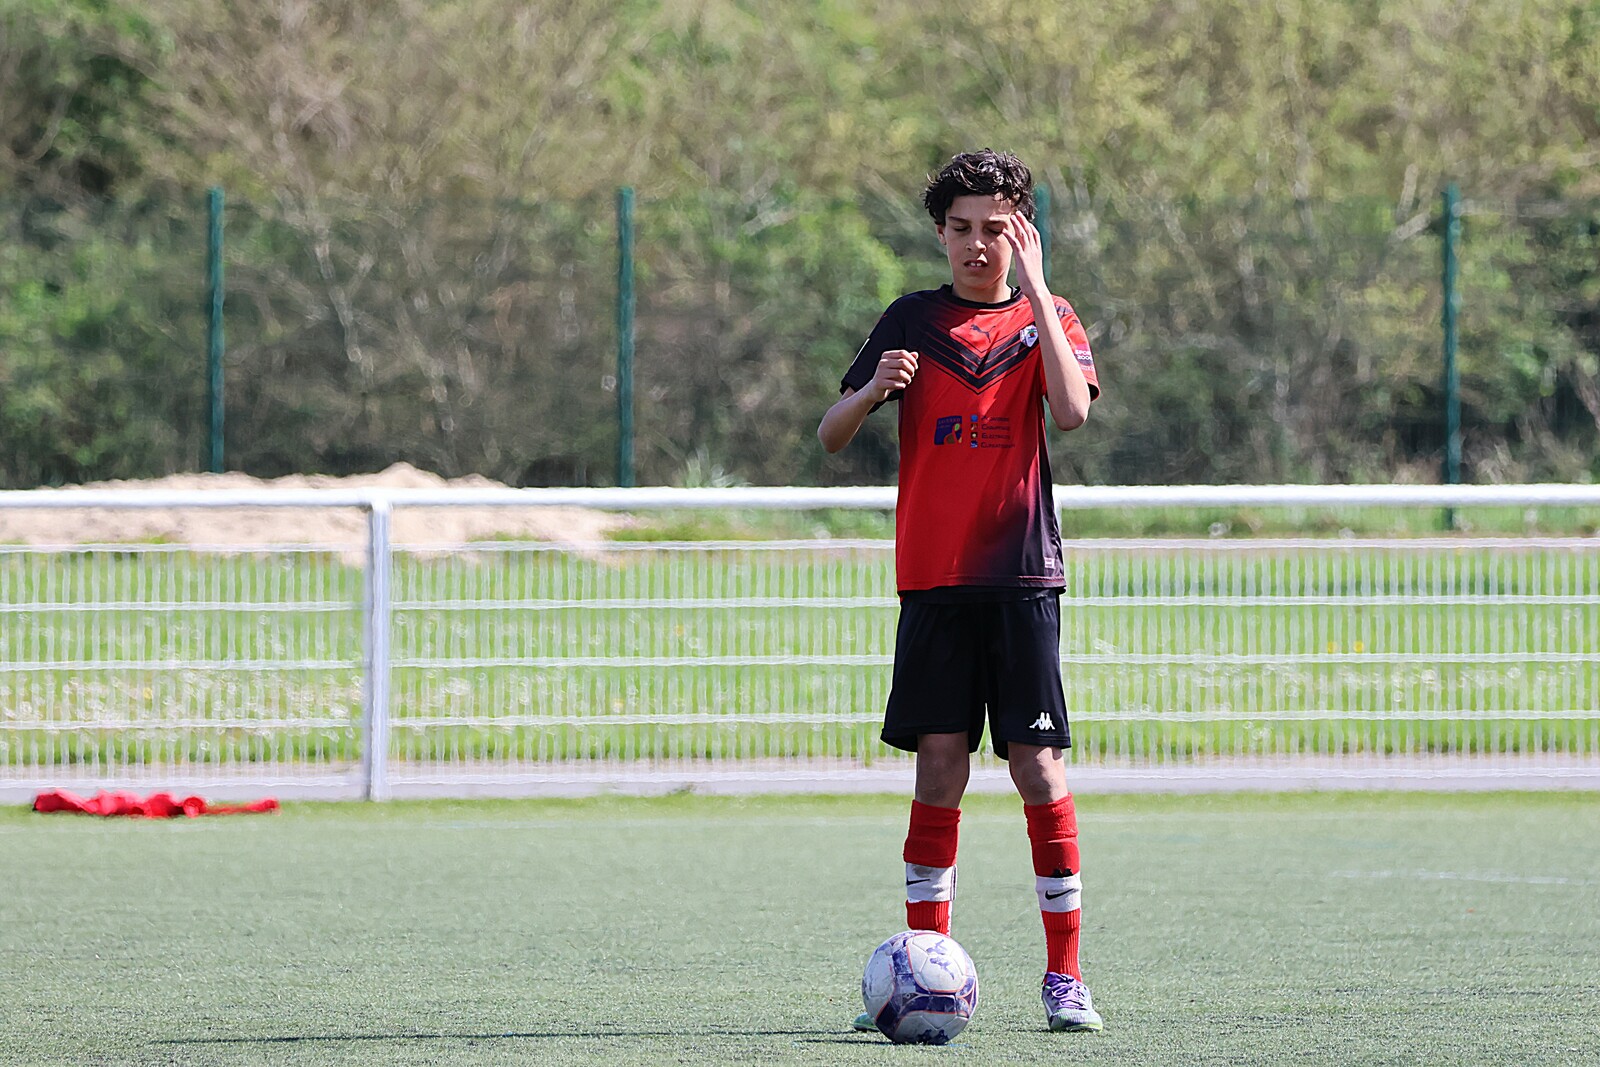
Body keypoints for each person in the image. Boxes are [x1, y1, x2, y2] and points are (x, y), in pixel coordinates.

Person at [818, 149, 1103, 1034]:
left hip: (1022, 576)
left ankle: (1065, 977)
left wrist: (1041, 291)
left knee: (1036, 766)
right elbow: (830, 434)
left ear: (1022, 233)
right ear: (941, 233)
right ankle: (922, 964)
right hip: (934, 582)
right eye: (962, 229)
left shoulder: (1049, 316)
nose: (979, 245)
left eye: (996, 229)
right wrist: (873, 389)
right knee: (938, 766)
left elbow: (1071, 412)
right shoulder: (911, 319)